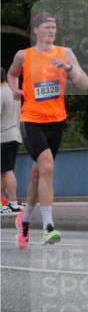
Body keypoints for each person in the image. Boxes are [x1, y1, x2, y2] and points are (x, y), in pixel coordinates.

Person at [9, 12, 88, 247]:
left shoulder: (65, 53)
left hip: (56, 122)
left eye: (54, 27)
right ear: (36, 31)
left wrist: (68, 68)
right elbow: (13, 74)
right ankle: (48, 227)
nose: (52, 30)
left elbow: (84, 84)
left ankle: (24, 223)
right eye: (47, 27)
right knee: (46, 167)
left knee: (38, 174)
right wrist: (15, 90)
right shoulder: (24, 55)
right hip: (31, 120)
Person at [0, 67, 22, 215]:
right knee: (5, 170)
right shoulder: (14, 92)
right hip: (15, 134)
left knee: (6, 171)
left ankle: (12, 203)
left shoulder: (1, 94)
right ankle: (5, 202)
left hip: (4, 135)